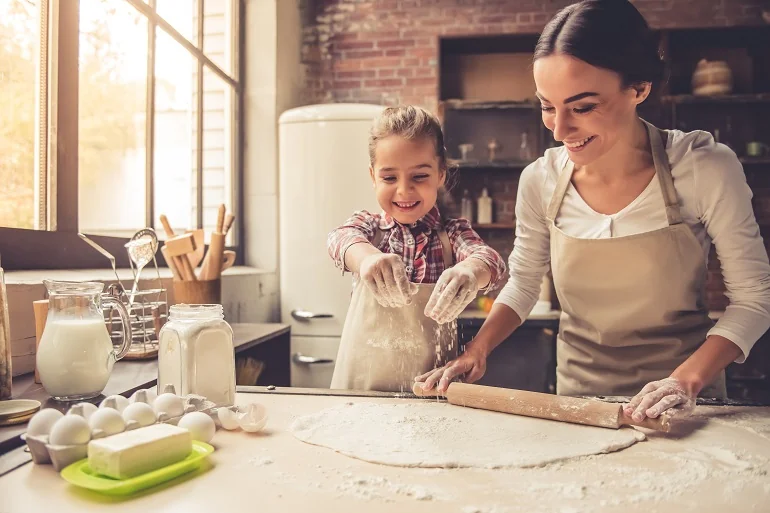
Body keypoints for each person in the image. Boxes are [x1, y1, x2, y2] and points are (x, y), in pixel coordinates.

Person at [416, 0, 770, 422]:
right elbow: (524, 285)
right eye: (548, 106)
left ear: (639, 88)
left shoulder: (701, 166)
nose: (560, 130)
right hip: (581, 404)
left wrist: (686, 380)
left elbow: (754, 299)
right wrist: (477, 350)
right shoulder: (541, 180)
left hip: (686, 403)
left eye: (582, 107)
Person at [327, 105, 506, 392]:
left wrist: (470, 271)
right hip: (361, 392)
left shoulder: (452, 233)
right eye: (389, 178)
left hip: (431, 391)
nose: (404, 190)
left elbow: (490, 261)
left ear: (440, 175)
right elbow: (340, 240)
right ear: (373, 176)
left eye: (419, 176)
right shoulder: (368, 228)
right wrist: (367, 258)